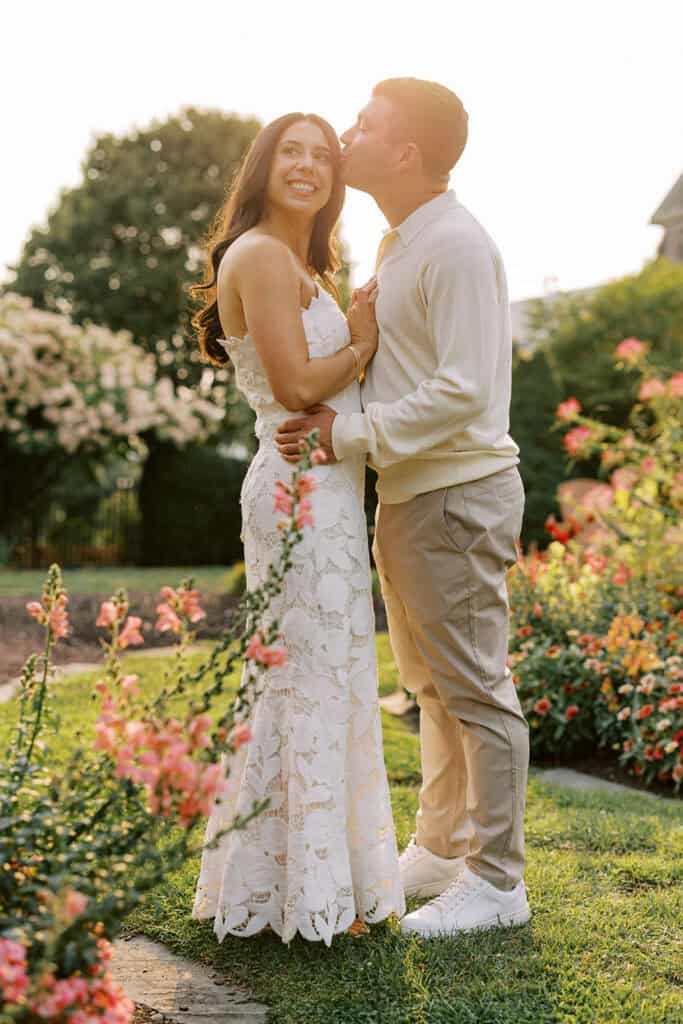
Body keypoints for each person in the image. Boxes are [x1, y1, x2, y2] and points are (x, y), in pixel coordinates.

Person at [276, 79, 531, 937]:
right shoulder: (398, 244)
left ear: (406, 152)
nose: (348, 135)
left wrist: (345, 439)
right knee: (429, 685)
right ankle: (440, 845)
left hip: (458, 495)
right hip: (411, 495)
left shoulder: (455, 245)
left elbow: (462, 393)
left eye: (365, 125)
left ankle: (496, 883)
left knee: (476, 689)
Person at [190, 112, 405, 946]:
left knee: (334, 677)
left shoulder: (305, 264)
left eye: (322, 154)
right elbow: (292, 382)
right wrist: (357, 345)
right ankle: (299, 895)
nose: (308, 166)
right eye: (292, 151)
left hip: (331, 495)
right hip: (296, 495)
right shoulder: (257, 255)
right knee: (303, 682)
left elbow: (327, 395)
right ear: (263, 166)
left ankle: (324, 886)